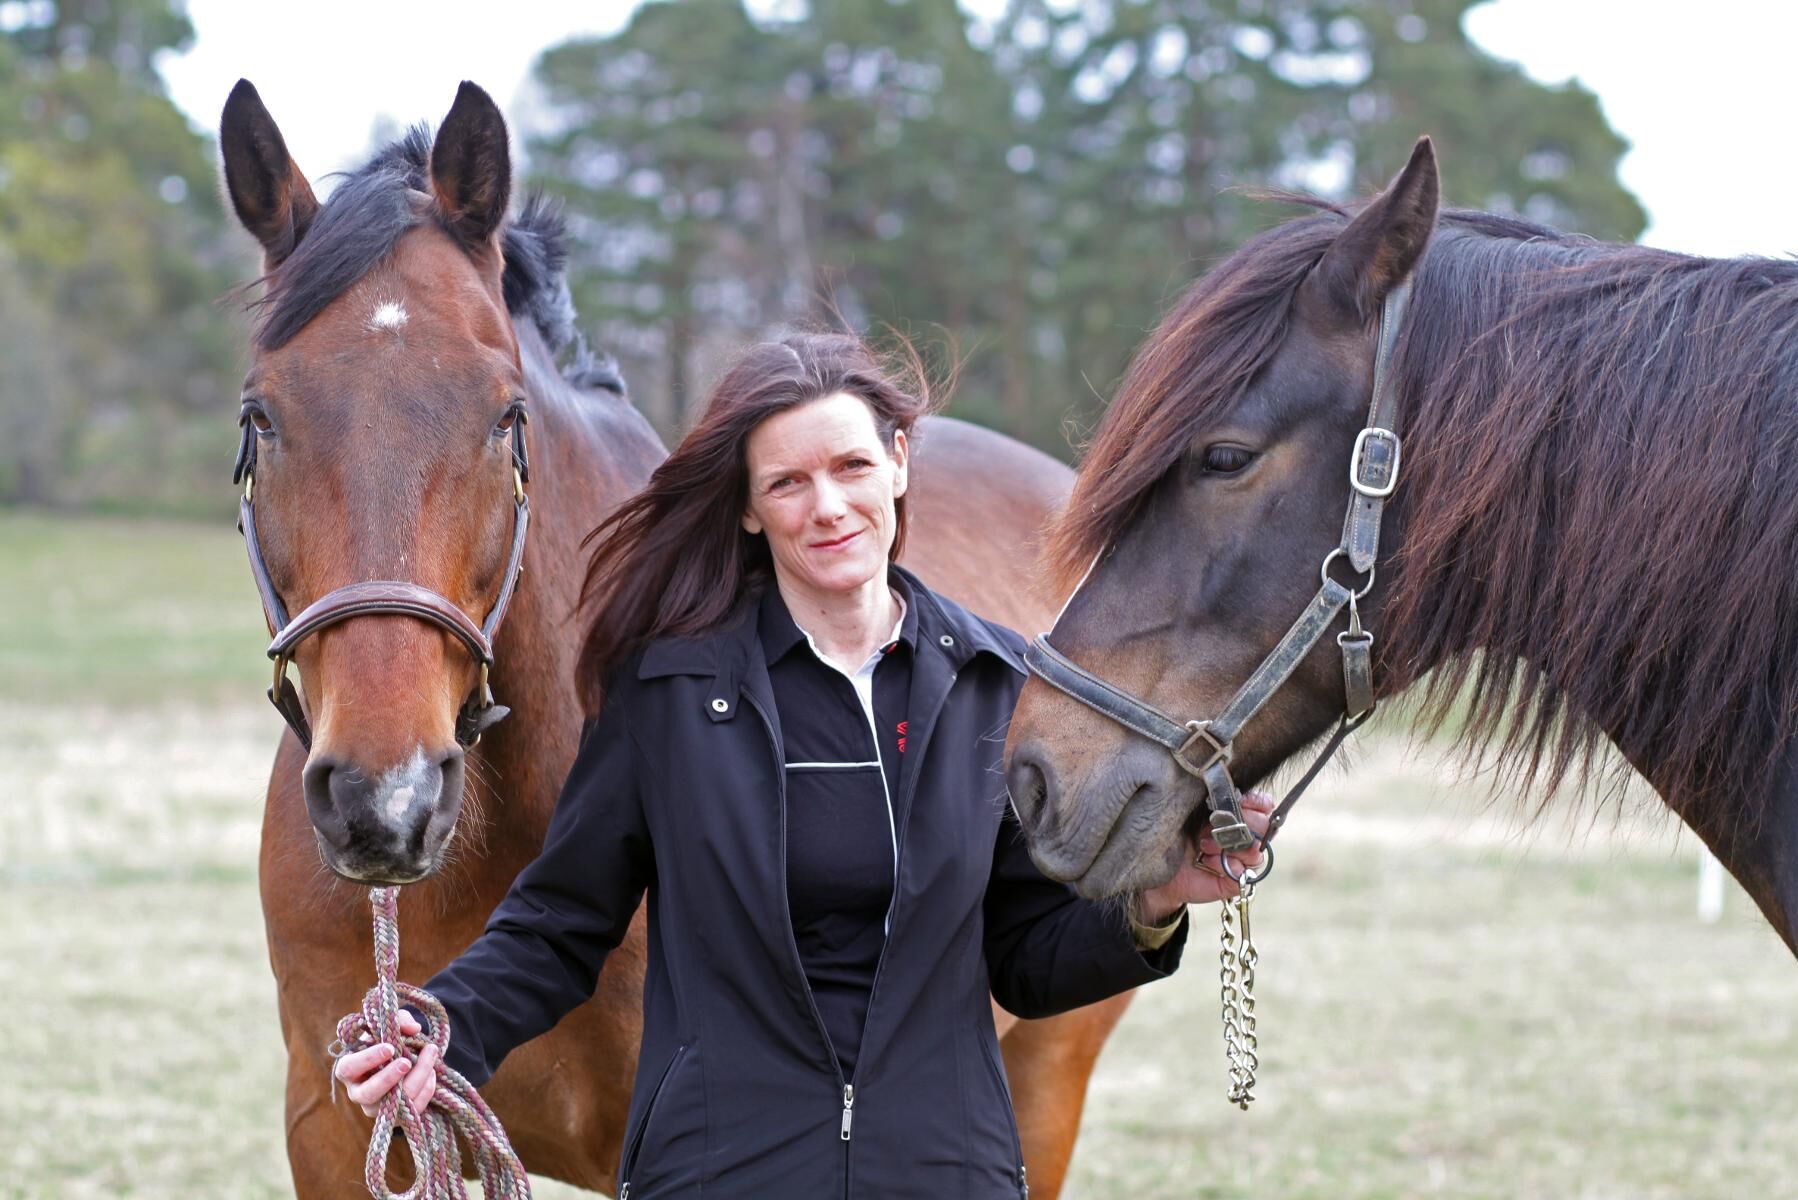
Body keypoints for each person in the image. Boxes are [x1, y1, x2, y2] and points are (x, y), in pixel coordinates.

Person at [333, 332, 1270, 1198]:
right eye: (787, 483)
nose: (827, 507)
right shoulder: (667, 695)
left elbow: (1024, 960)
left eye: (853, 466)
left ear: (900, 464)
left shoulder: (996, 684)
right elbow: (562, 922)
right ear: (747, 508)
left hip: (946, 1176)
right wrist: (444, 1026)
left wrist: (1152, 901)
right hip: (719, 1173)